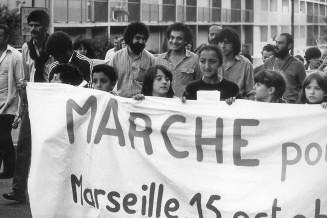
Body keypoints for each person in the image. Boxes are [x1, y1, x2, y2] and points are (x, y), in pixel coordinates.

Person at [3, 10, 54, 203]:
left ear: (45, 27)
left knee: (49, 149)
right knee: (24, 147)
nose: (33, 29)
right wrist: (21, 108)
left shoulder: (53, 45)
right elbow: (24, 77)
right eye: (31, 25)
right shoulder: (26, 47)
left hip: (51, 103)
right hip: (33, 103)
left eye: (37, 25)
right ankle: (18, 190)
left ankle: (49, 191)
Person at [110, 21, 155, 98]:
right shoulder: (116, 57)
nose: (141, 41)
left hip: (141, 104)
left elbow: (154, 85)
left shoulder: (151, 59)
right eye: (138, 38)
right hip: (121, 103)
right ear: (130, 38)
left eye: (143, 39)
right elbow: (110, 81)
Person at [0, 24, 22, 179]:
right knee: (3, 137)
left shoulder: (15, 56)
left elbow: (21, 81)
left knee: (2, 135)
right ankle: (9, 170)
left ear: (6, 37)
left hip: (8, 104)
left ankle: (9, 170)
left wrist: (21, 109)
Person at [155, 22, 200, 97]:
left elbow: (200, 84)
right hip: (165, 104)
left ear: (186, 41)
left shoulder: (195, 59)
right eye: (172, 37)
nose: (174, 41)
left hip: (186, 105)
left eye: (179, 38)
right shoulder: (159, 60)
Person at [263, 33, 306, 103]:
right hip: (271, 106)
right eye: (276, 42)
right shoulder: (268, 62)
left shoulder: (298, 65)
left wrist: (296, 104)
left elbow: (304, 87)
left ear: (289, 46)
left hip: (290, 106)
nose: (276, 45)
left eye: (280, 43)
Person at [216, 27, 254, 98]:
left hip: (238, 104)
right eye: (220, 42)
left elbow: (250, 92)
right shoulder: (213, 62)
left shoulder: (246, 64)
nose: (223, 46)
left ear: (235, 44)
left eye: (227, 43)